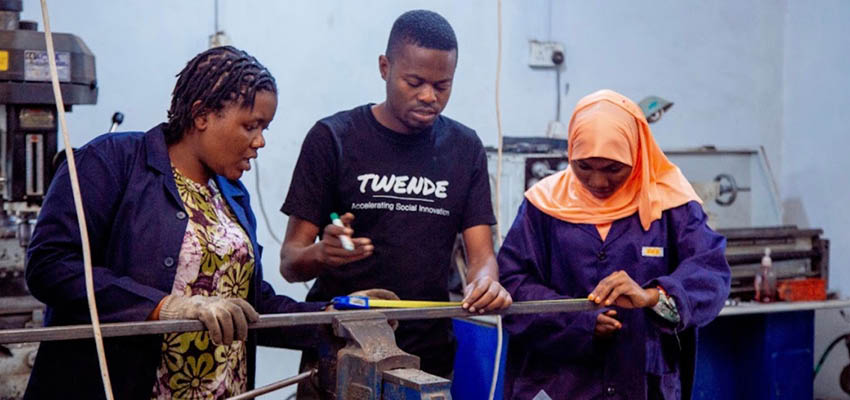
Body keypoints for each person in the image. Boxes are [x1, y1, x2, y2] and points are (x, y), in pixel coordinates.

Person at [23, 46, 387, 400]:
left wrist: (335, 315)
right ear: (201, 115)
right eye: (251, 126)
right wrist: (167, 307)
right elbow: (51, 266)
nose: (260, 141)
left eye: (265, 128)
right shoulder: (110, 162)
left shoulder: (232, 196)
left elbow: (252, 303)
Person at [280, 9, 512, 383]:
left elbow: (481, 257)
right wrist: (321, 254)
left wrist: (487, 283)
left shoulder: (464, 148)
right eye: (415, 81)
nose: (428, 97)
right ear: (385, 67)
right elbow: (290, 263)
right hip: (341, 352)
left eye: (442, 86)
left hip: (428, 354)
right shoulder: (333, 139)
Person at [498, 89, 731, 399]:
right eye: (583, 166)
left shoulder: (672, 204)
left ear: (636, 155)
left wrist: (653, 296)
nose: (598, 182)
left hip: (641, 382)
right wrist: (578, 320)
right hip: (557, 382)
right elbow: (512, 282)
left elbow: (711, 272)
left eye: (613, 168)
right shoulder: (544, 205)